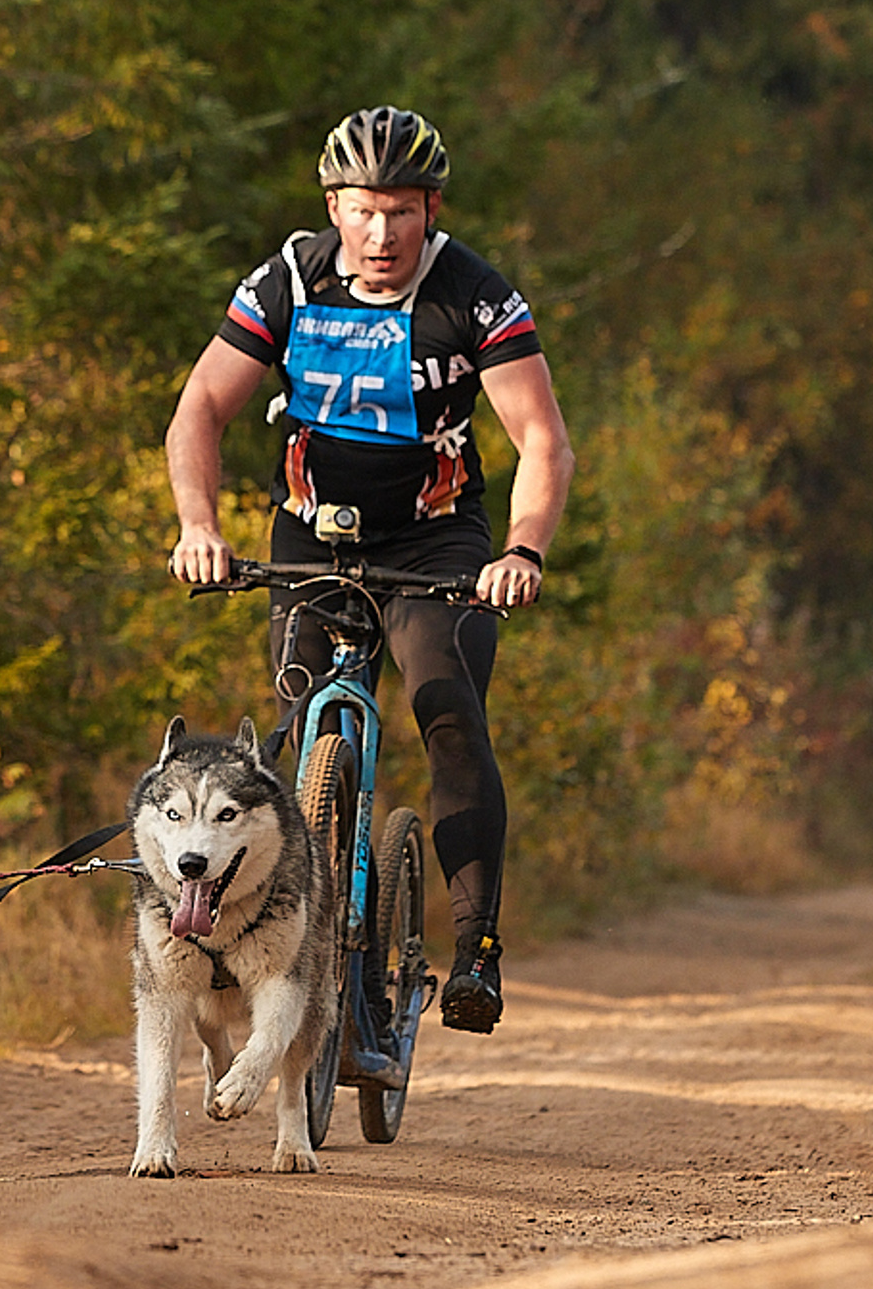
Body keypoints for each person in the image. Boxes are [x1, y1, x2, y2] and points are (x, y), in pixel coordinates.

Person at [164, 105, 574, 1034]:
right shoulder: (290, 282)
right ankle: (255, 942)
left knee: (446, 709)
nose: (381, 232)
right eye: (362, 209)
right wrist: (200, 525)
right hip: (312, 532)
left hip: (436, 543)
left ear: (431, 209)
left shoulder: (473, 294)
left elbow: (542, 441)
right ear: (332, 207)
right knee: (290, 727)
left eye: (400, 210)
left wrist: (521, 551)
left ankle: (475, 952)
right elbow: (198, 412)